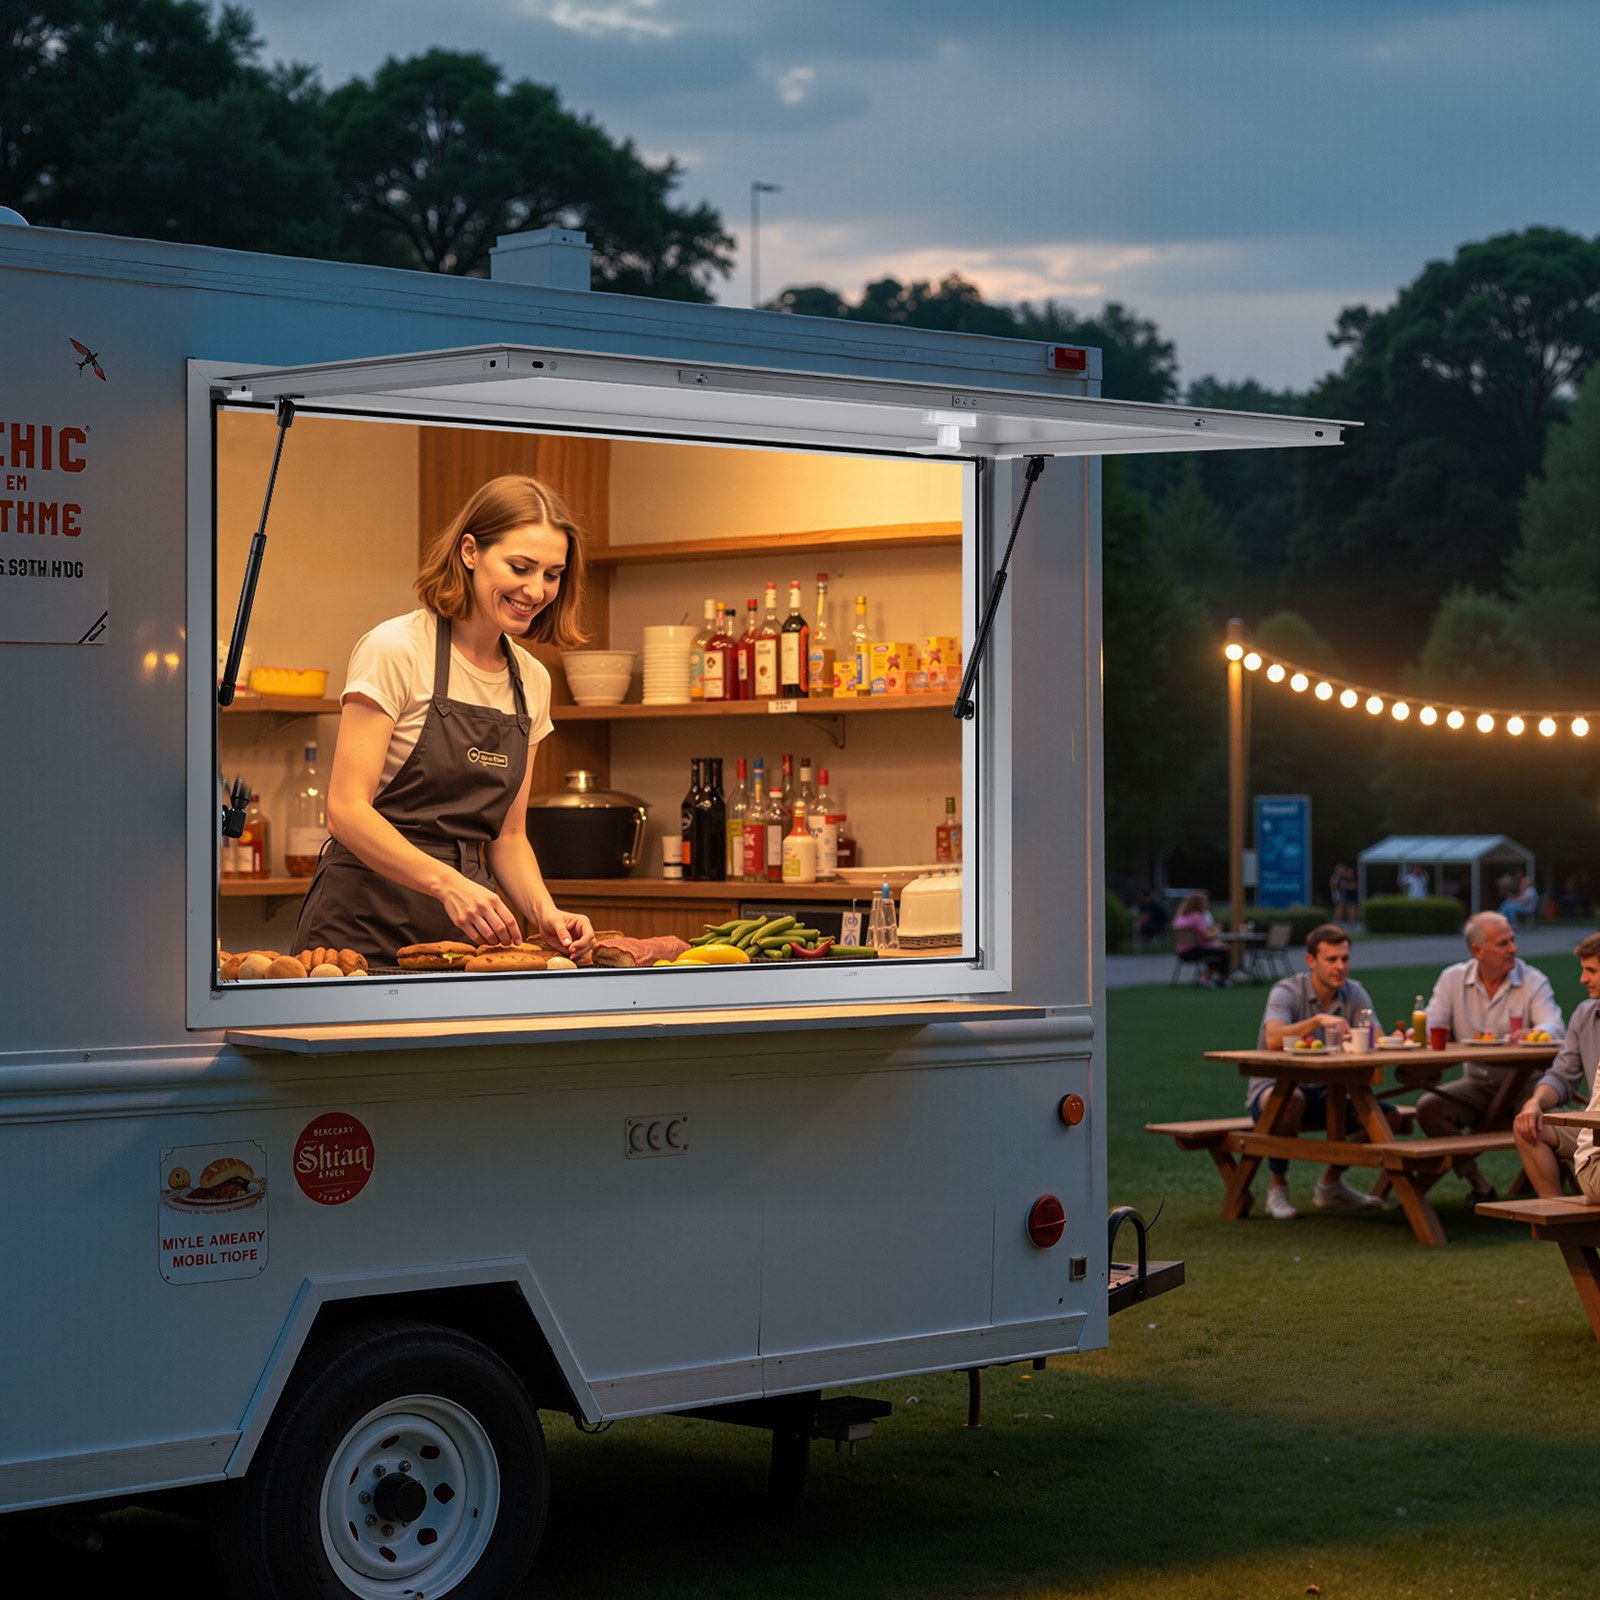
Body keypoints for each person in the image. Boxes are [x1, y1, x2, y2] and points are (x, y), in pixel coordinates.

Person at [294, 474, 597, 968]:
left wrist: (546, 912)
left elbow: (508, 837)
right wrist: (448, 883)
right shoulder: (395, 650)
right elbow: (346, 810)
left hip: (465, 934)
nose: (536, 589)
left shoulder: (532, 682)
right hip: (360, 926)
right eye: (520, 567)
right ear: (470, 551)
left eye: (552, 574)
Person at [1418, 911, 1567, 1202]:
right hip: (1477, 1083)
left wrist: (1537, 1033)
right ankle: (1479, 1182)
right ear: (1477, 951)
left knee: (1550, 1119)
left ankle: (1555, 1200)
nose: (1513, 948)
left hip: (1527, 1083)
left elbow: (1554, 1025)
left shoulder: (1532, 979)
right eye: (1503, 944)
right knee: (1429, 1108)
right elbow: (1432, 1026)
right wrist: (1418, 1035)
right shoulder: (1453, 979)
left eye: (1512, 940)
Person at [1251, 923, 1398, 1219]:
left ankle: (1330, 1184)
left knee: (1390, 1118)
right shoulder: (1287, 990)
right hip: (1276, 1089)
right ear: (1311, 961)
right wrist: (1316, 1020)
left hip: (1331, 1091)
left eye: (1345, 958)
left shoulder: (1354, 992)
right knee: (1290, 1102)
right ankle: (1277, 1188)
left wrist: (1380, 1039)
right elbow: (1273, 1038)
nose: (1340, 967)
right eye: (1332, 959)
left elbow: (1377, 1037)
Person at [1514, 933, 1600, 1196]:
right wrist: (1534, 1103)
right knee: (1528, 1127)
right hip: (1591, 1129)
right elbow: (1562, 1075)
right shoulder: (1585, 1015)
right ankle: (1559, 1223)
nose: (1583, 979)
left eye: (1591, 971)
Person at [1171, 891, 1231, 986]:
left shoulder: (1180, 915)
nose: (1207, 904)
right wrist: (1217, 930)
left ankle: (1206, 977)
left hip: (1180, 952)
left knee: (1217, 950)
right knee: (1224, 951)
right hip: (1192, 950)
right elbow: (1206, 937)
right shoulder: (1196, 916)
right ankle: (1220, 978)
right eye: (1205, 902)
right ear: (1198, 904)